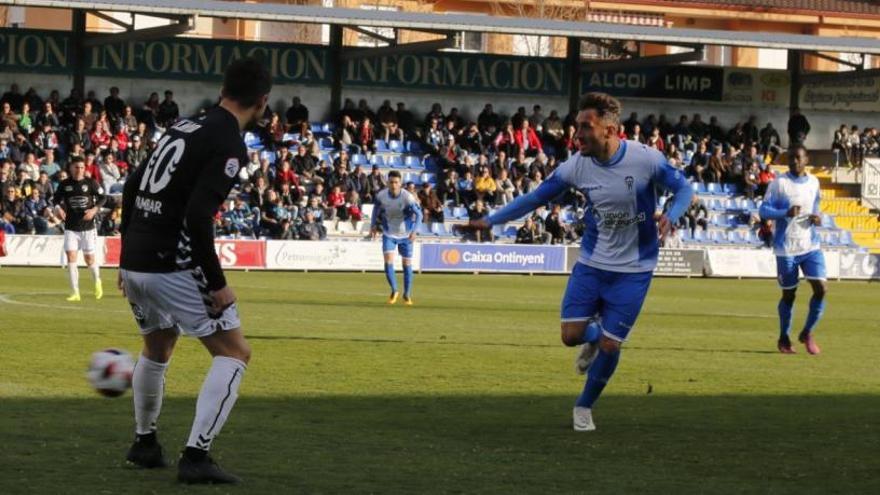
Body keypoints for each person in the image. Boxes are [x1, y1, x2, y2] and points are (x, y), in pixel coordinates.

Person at [466, 92, 692, 432]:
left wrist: (671, 214)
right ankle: (592, 336)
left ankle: (584, 406)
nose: (578, 134)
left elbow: (685, 189)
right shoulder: (575, 166)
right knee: (570, 336)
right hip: (591, 264)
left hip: (635, 269)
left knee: (610, 345)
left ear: (611, 129)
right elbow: (534, 198)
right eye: (577, 127)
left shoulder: (646, 159)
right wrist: (491, 220)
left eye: (586, 126)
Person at [118, 57, 271, 484]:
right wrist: (217, 284)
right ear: (262, 101)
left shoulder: (183, 126)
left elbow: (133, 185)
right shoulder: (229, 142)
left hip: (138, 261)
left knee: (158, 346)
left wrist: (125, 254)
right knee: (234, 352)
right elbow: (199, 217)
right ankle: (196, 456)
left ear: (223, 90)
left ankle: (145, 443)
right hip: (173, 264)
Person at [759, 145, 826, 355]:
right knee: (789, 295)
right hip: (786, 248)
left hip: (810, 245)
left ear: (806, 159)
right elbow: (763, 210)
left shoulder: (814, 182)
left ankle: (807, 332)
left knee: (821, 289)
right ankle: (784, 338)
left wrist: (817, 218)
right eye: (791, 158)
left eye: (798, 158)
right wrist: (784, 212)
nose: (794, 161)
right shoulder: (779, 183)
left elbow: (816, 208)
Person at [54, 157, 106, 301]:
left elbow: (103, 197)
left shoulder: (91, 183)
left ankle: (97, 282)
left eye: (82, 167)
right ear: (71, 168)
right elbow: (55, 199)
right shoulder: (65, 184)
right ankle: (75, 292)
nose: (79, 170)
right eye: (77, 167)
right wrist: (58, 208)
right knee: (71, 257)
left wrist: (94, 210)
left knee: (89, 259)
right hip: (71, 227)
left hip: (88, 228)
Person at [370, 170, 423, 305]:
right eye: (391, 182)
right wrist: (373, 225)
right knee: (388, 262)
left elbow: (420, 215)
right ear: (387, 182)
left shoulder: (407, 197)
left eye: (396, 182)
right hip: (389, 234)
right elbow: (375, 209)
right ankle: (394, 290)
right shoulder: (381, 196)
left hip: (406, 235)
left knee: (407, 264)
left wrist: (414, 231)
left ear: (400, 183)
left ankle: (407, 294)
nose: (394, 185)